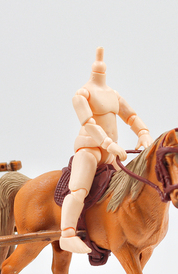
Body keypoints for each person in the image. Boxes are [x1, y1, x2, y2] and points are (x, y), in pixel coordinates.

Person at [60, 47, 153, 254]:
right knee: (79, 190)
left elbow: (131, 116)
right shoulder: (82, 94)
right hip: (89, 150)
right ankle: (67, 234)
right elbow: (88, 123)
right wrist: (109, 144)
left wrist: (143, 132)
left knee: (131, 185)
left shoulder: (113, 94)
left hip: (110, 154)